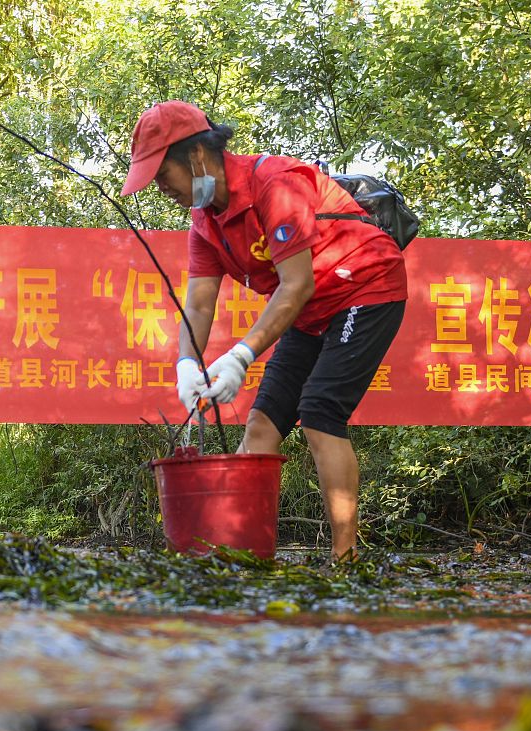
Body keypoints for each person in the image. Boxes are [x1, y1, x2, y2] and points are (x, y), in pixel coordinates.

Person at [121, 101, 408, 560]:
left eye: (161, 175)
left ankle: (346, 560)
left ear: (196, 156)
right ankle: (238, 554)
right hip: (309, 311)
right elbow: (198, 303)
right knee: (261, 422)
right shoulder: (205, 224)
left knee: (319, 411)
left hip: (365, 287)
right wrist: (186, 363)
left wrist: (240, 356)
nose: (162, 189)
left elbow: (296, 285)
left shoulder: (275, 184)